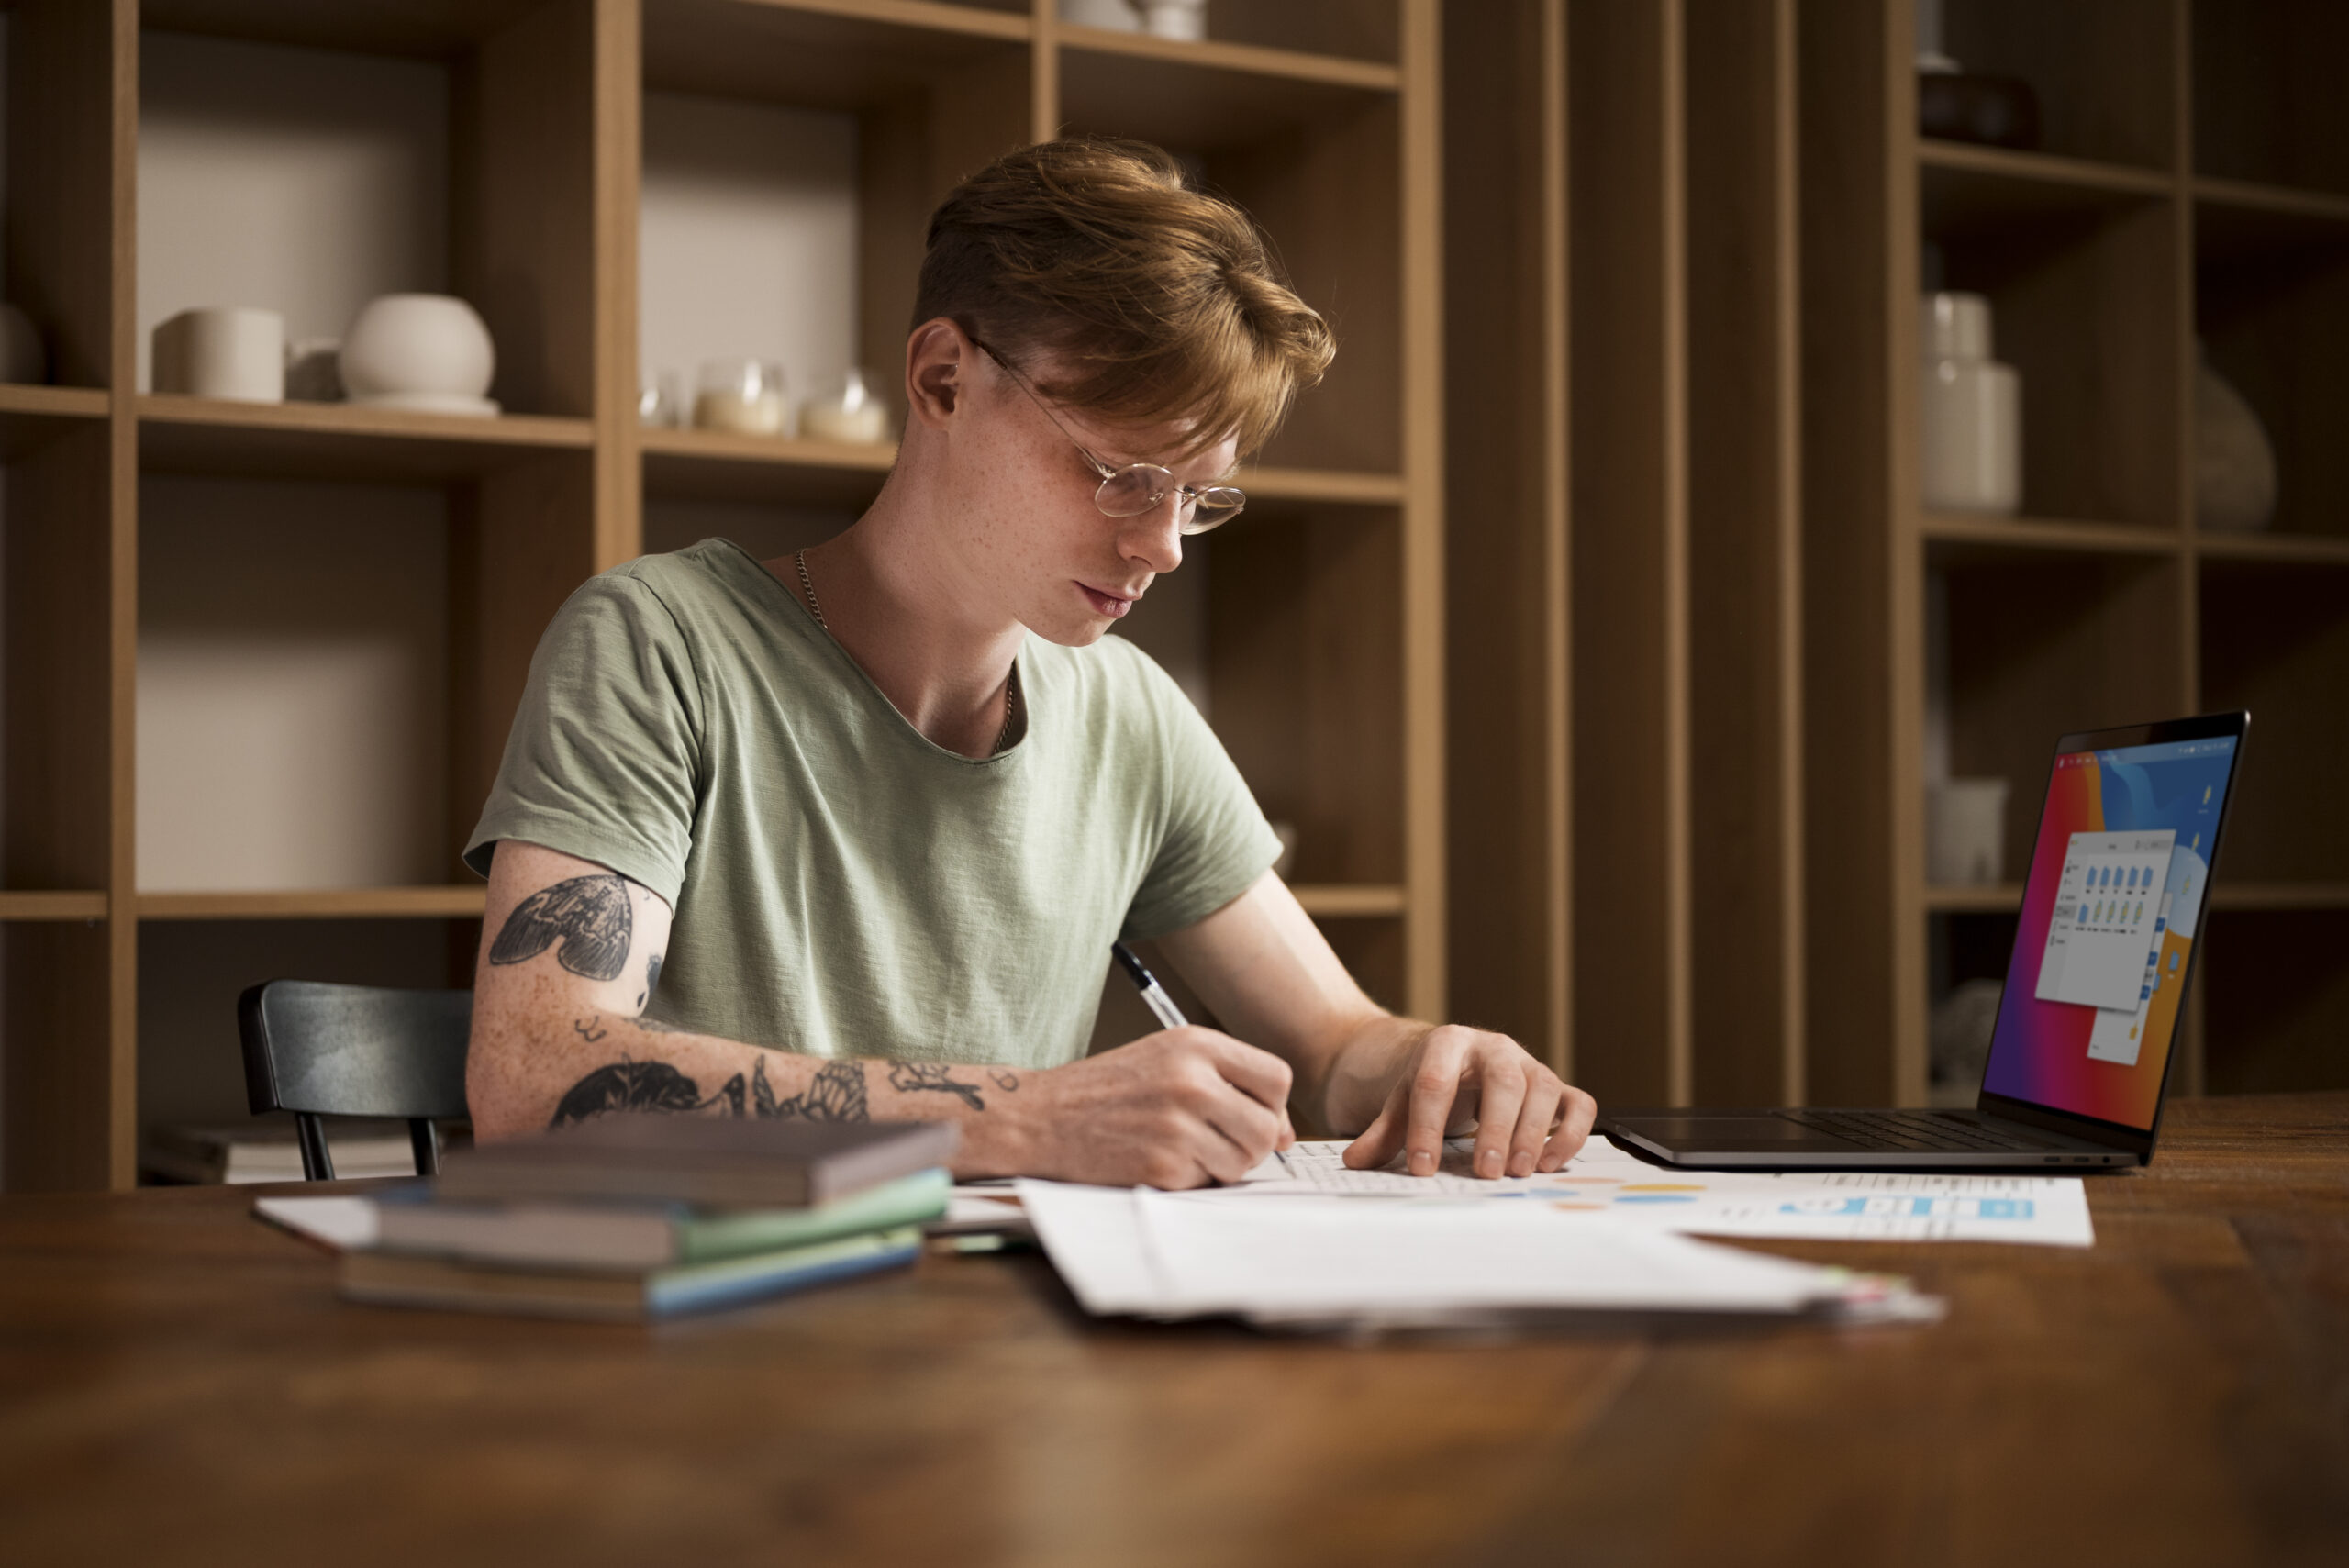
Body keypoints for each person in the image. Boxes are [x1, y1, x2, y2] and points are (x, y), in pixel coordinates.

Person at [463, 137, 1595, 1187]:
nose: (1159, 545)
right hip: (723, 1344)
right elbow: (533, 1079)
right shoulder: (659, 643)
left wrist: (1434, 1065)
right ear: (944, 379)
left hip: (1022, 1352)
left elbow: (1338, 1045)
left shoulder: (1129, 716)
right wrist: (1024, 1116)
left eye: (1197, 499)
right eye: (1121, 474)